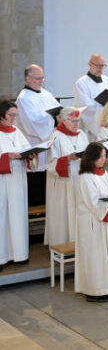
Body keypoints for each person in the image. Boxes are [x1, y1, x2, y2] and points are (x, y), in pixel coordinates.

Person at [75, 142, 108, 302]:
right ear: (91, 158)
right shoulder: (85, 178)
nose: (103, 160)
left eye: (105, 156)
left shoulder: (104, 173)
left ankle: (106, 285)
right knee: (95, 256)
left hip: (105, 221)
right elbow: (93, 203)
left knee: (106, 255)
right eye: (100, 157)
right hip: (92, 223)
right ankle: (93, 290)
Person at [15, 64, 60, 206]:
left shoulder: (46, 93)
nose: (41, 81)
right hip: (35, 146)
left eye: (43, 78)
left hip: (49, 145)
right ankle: (35, 213)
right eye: (38, 78)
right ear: (27, 78)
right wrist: (53, 119)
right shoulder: (23, 99)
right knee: (36, 184)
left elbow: (56, 111)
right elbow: (33, 124)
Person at [45, 107, 89, 245]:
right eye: (73, 121)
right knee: (65, 213)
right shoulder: (55, 136)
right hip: (63, 183)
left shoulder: (82, 134)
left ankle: (80, 242)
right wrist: (67, 159)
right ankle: (63, 244)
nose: (77, 124)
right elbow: (50, 163)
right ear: (63, 121)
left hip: (81, 178)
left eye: (78, 121)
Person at [0, 100, 34, 268]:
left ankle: (19, 254)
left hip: (18, 180)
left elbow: (25, 149)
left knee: (17, 215)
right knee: (2, 217)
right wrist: (7, 157)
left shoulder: (17, 131)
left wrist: (29, 155)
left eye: (15, 115)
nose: (14, 118)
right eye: (10, 115)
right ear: (1, 115)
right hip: (2, 182)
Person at [73, 54, 108, 139]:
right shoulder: (81, 83)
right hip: (90, 129)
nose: (101, 69)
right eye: (98, 65)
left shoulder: (107, 80)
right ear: (90, 64)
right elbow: (84, 106)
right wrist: (102, 106)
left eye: (103, 66)